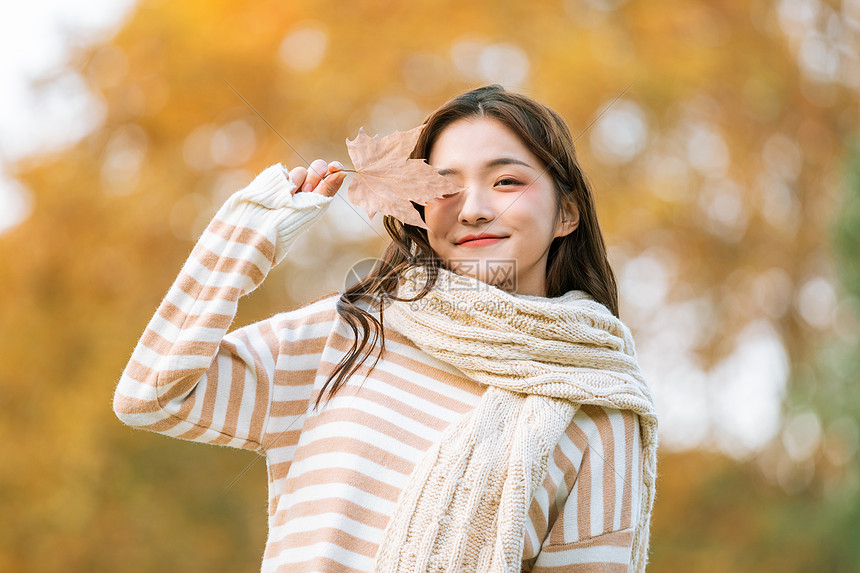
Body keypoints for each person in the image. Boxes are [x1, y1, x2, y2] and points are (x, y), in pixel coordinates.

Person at [113, 84, 658, 573]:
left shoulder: (597, 410)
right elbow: (153, 394)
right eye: (444, 187)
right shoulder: (348, 335)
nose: (472, 210)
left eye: (507, 181)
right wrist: (249, 235)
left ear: (567, 213)